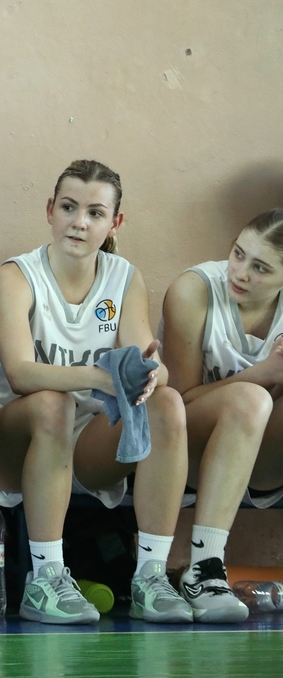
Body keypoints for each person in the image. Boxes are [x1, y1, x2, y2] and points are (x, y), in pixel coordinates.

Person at [0, 160, 192, 624]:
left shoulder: (124, 278)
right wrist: (97, 376)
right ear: (50, 210)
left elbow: (144, 362)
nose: (79, 222)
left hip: (86, 442)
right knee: (52, 403)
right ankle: (45, 579)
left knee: (167, 403)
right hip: (8, 441)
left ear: (115, 223)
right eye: (69, 208)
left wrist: (149, 374)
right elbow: (20, 375)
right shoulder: (16, 276)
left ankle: (150, 577)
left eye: (95, 213)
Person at [160, 208, 283, 622]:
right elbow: (176, 403)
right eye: (238, 253)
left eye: (261, 268)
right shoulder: (193, 291)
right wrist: (263, 374)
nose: (241, 273)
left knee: (256, 401)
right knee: (250, 399)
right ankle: (205, 569)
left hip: (261, 462)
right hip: (187, 451)